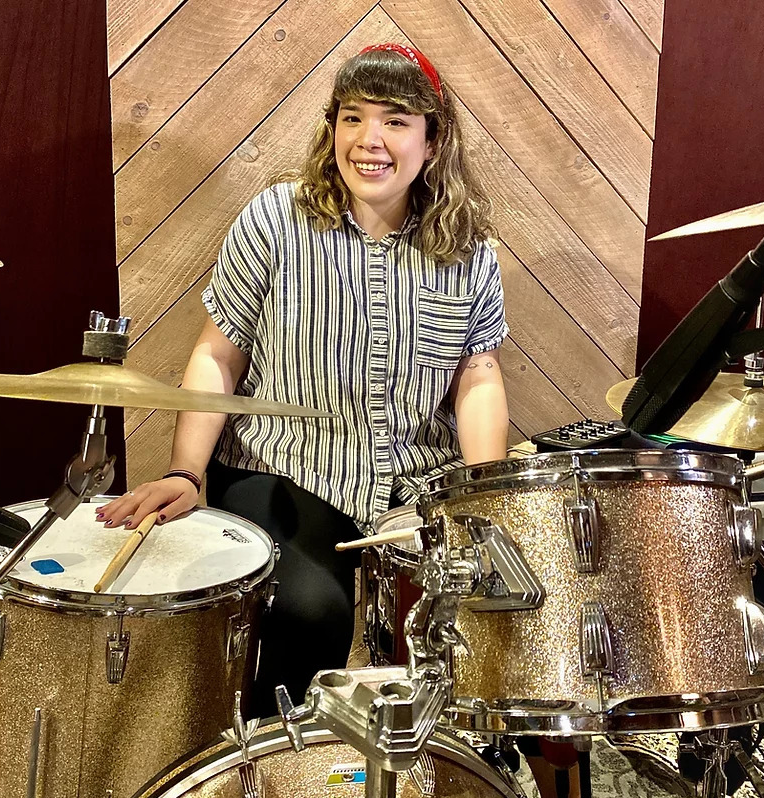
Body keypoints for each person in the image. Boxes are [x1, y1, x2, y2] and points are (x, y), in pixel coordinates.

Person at [96, 43, 509, 716]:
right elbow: (216, 355)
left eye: (396, 121)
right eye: (352, 118)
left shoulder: (469, 251)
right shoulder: (275, 219)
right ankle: (263, 759)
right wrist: (185, 473)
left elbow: (478, 375)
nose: (368, 141)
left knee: (478, 600)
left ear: (433, 142)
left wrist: (489, 502)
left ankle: (430, 764)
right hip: (285, 470)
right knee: (310, 612)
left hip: (411, 482)